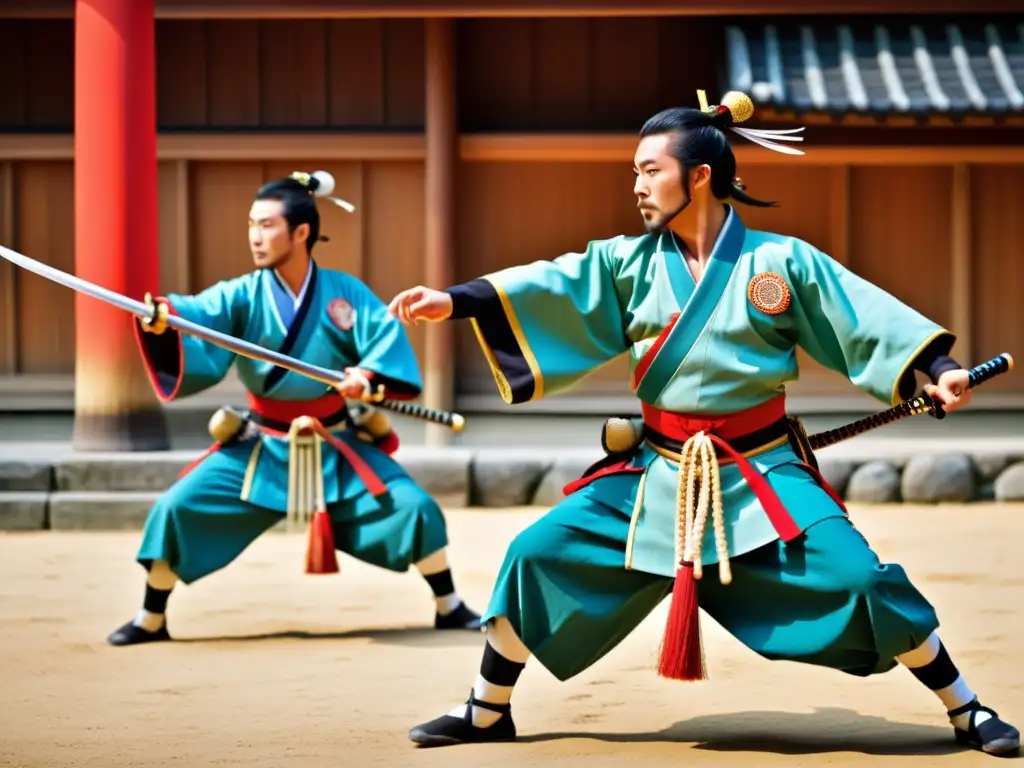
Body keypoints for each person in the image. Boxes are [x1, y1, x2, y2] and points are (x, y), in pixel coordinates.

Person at [387, 91, 1020, 756]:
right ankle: (488, 709)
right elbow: (553, 283)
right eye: (634, 171)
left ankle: (966, 709)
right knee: (535, 554)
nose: (636, 186)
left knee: (860, 578)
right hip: (654, 473)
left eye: (649, 170)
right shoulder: (626, 263)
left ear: (700, 176)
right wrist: (453, 302)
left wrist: (939, 366)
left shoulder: (781, 263)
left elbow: (863, 317)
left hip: (760, 471)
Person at [106, 170, 482, 647]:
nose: (255, 237)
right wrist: (164, 318)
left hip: (334, 441)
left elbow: (382, 342)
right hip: (260, 445)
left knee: (414, 508)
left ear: (301, 233)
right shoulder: (241, 295)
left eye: (266, 225)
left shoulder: (344, 295)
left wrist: (365, 376)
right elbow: (195, 313)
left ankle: (448, 606)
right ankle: (151, 617)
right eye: (251, 225)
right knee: (176, 507)